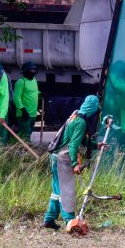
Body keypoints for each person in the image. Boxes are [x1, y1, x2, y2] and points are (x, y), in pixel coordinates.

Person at [42, 95, 100, 230]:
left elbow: (78, 140)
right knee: (67, 190)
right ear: (93, 108)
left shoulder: (75, 116)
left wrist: (96, 145)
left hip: (55, 157)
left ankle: (49, 219)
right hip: (64, 158)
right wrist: (75, 164)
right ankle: (70, 221)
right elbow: (73, 145)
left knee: (57, 190)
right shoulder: (81, 122)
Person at [13, 62, 39, 141]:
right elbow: (16, 98)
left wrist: (40, 94)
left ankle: (19, 148)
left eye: (34, 70)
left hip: (33, 113)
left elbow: (34, 92)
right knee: (25, 134)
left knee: (29, 132)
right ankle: (24, 150)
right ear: (26, 71)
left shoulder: (34, 80)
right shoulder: (21, 82)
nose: (33, 72)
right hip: (24, 114)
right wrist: (22, 109)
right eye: (31, 70)